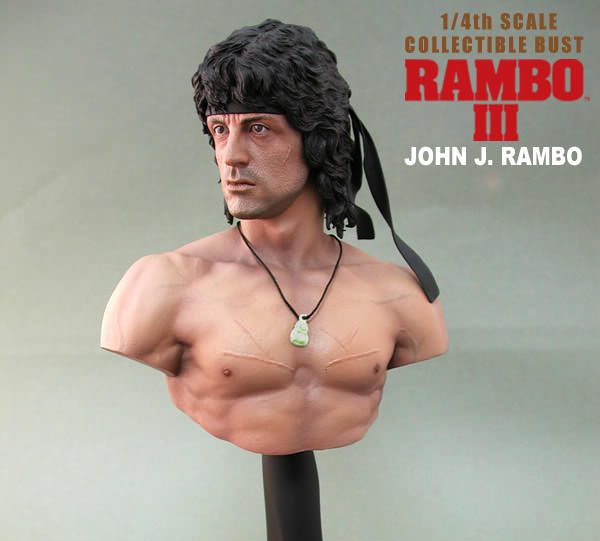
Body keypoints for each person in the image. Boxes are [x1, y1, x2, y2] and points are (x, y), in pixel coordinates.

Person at [100, 20, 448, 456]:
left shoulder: (399, 294)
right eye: (220, 130)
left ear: (318, 141)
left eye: (259, 129)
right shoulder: (163, 285)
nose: (231, 156)